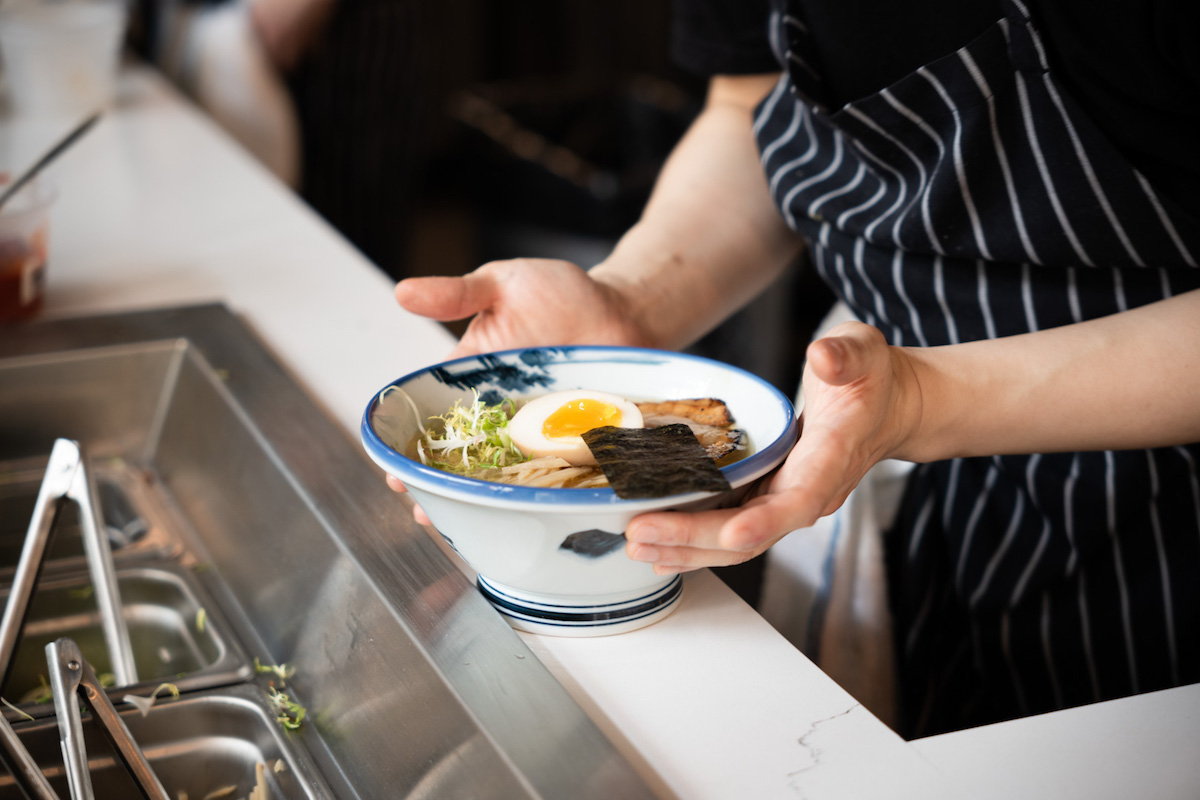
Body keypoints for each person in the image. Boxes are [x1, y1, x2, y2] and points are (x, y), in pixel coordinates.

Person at [390, 0, 1200, 738]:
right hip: (900, 460)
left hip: (1161, 521)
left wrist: (927, 398)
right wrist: (632, 302)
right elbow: (753, 102)